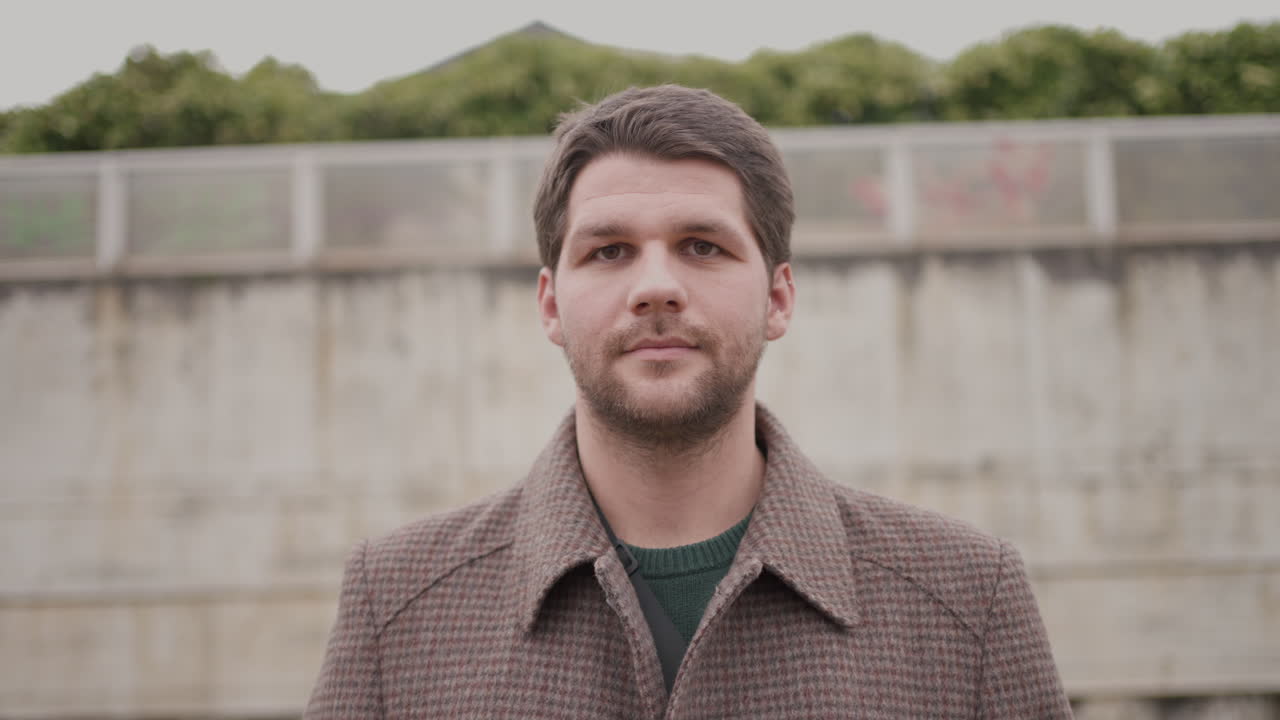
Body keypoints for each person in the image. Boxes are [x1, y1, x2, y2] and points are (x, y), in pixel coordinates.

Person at [304, 85, 1073, 719]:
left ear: (778, 298)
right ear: (549, 306)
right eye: (609, 251)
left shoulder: (969, 598)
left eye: (703, 246)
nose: (655, 287)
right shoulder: (397, 602)